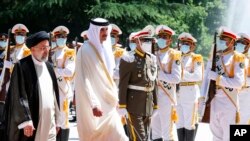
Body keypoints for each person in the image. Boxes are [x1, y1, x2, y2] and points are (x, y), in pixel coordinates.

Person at [75, 18, 128, 141]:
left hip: (109, 103)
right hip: (95, 105)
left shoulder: (106, 48)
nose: (105, 33)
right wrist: (94, 104)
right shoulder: (85, 50)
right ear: (94, 31)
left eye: (106, 29)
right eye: (101, 30)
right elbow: (84, 79)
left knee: (120, 137)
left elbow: (109, 76)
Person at [3, 31, 61, 141]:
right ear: (32, 49)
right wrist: (26, 120)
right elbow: (18, 95)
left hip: (50, 125)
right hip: (32, 125)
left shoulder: (49, 66)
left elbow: (54, 95)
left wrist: (58, 119)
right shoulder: (23, 66)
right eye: (42, 48)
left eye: (47, 47)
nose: (46, 51)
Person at [203, 27, 245, 141]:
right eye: (220, 39)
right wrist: (203, 96)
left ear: (232, 42)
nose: (221, 42)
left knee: (228, 136)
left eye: (224, 39)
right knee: (216, 135)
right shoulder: (215, 57)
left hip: (229, 101)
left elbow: (238, 83)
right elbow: (206, 79)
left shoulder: (237, 57)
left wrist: (218, 78)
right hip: (214, 99)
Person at [118, 25, 158, 141]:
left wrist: (156, 104)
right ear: (137, 41)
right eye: (144, 40)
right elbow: (123, 84)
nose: (147, 43)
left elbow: (153, 82)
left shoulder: (151, 59)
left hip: (148, 104)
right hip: (133, 104)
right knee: (139, 138)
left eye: (149, 40)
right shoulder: (129, 59)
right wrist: (122, 105)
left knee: (144, 137)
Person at [150, 25, 182, 141]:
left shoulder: (174, 54)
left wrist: (158, 74)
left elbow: (176, 78)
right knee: (155, 131)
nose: (162, 39)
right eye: (160, 36)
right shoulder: (152, 53)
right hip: (153, 95)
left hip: (166, 96)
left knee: (167, 132)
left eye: (165, 37)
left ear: (170, 40)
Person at [176, 32, 203, 141]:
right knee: (179, 122)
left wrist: (180, 73)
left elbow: (197, 76)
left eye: (188, 43)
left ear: (193, 46)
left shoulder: (196, 58)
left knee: (189, 122)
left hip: (190, 92)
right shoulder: (176, 56)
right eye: (183, 43)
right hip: (177, 92)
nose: (185, 45)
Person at [51, 25, 75, 141]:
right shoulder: (51, 52)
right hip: (50, 88)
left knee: (63, 120)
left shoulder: (69, 52)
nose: (61, 38)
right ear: (54, 38)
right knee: (52, 118)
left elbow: (70, 71)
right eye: (59, 36)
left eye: (63, 36)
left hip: (63, 91)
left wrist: (55, 70)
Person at [234, 33, 250, 124]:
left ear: (248, 46)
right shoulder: (230, 59)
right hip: (230, 94)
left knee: (241, 122)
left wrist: (240, 81)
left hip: (245, 94)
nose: (239, 44)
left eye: (243, 43)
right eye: (238, 42)